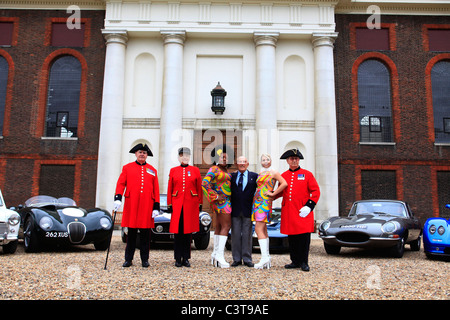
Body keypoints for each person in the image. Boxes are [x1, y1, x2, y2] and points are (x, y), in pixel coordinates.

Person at [114, 143, 160, 268]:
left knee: (145, 236)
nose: (142, 154)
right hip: (132, 205)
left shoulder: (152, 170)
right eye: (140, 152)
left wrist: (156, 206)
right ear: (135, 154)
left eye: (144, 153)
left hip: (147, 206)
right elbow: (121, 184)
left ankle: (145, 259)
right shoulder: (127, 168)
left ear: (147, 155)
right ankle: (128, 259)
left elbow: (156, 189)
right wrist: (118, 197)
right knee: (132, 235)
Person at [277, 148, 320, 271]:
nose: (294, 161)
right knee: (292, 238)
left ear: (299, 160)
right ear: (287, 161)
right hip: (289, 211)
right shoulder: (283, 176)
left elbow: (316, 191)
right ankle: (294, 261)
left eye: (296, 159)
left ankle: (304, 262)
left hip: (302, 211)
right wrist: (268, 195)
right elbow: (279, 192)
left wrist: (309, 206)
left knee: (304, 238)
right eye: (292, 159)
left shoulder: (307, 174)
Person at [167, 147, 202, 267]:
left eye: (187, 156)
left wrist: (199, 203)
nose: (185, 158)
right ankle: (177, 258)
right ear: (178, 157)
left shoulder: (195, 170)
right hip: (177, 205)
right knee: (178, 233)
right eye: (182, 156)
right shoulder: (173, 170)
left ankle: (186, 258)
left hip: (190, 204)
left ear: (189, 157)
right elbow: (170, 188)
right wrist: (169, 203)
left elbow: (199, 188)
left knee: (188, 233)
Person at [251, 154, 287, 269]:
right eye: (263, 160)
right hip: (257, 201)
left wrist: (273, 193)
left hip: (265, 202)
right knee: (263, 229)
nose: (265, 161)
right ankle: (266, 257)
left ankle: (264, 258)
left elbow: (284, 183)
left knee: (258, 228)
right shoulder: (260, 173)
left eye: (267, 159)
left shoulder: (274, 172)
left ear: (271, 161)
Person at [201, 144, 232, 268]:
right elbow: (204, 183)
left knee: (219, 226)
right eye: (221, 157)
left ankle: (215, 254)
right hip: (222, 202)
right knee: (226, 225)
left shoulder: (225, 170)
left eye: (226, 157)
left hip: (226, 201)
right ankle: (220, 255)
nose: (224, 159)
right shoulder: (214, 169)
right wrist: (214, 196)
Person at [230, 156, 258, 267]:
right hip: (235, 209)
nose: (242, 164)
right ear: (237, 164)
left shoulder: (254, 176)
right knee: (235, 235)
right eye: (240, 162)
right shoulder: (231, 176)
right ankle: (236, 259)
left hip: (248, 210)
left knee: (247, 235)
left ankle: (247, 259)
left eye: (244, 162)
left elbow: (263, 186)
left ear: (248, 164)